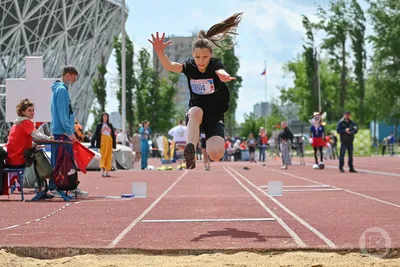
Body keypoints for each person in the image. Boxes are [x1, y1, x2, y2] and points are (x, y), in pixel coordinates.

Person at [149, 12, 243, 169]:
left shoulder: (215, 64)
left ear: (210, 55)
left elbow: (221, 71)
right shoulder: (190, 66)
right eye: (198, 57)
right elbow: (171, 66)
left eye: (205, 57)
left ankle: (210, 151)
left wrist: (224, 76)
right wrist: (159, 51)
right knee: (195, 111)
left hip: (214, 117)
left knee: (216, 154)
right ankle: (190, 149)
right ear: (193, 55)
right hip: (196, 117)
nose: (201, 61)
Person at [50, 65, 88, 197]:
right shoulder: (61, 91)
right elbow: (63, 114)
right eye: (74, 78)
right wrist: (69, 132)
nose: (74, 81)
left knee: (67, 160)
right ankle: (56, 186)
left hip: (63, 131)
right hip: (62, 133)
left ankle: (69, 184)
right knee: (61, 161)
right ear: (68, 75)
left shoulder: (62, 90)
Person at [1, 99, 53, 195]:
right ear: (23, 112)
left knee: (36, 154)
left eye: (33, 110)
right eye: (29, 110)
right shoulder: (26, 122)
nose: (32, 112)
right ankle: (48, 186)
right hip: (19, 159)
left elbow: (21, 143)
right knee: (39, 158)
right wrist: (48, 138)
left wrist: (35, 144)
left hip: (11, 159)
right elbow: (36, 135)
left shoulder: (16, 123)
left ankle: (42, 189)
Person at [92, 113, 116, 177]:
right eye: (104, 116)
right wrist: (103, 129)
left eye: (106, 116)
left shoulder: (110, 125)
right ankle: (102, 171)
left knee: (108, 155)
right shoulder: (99, 125)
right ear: (102, 117)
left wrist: (108, 129)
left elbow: (112, 134)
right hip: (102, 141)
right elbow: (97, 134)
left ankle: (107, 171)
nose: (105, 117)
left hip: (109, 141)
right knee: (103, 155)